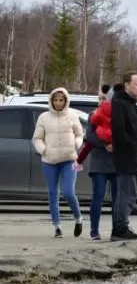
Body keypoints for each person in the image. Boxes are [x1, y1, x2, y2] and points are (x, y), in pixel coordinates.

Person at [31, 88, 84, 238]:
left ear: (66, 101)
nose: (58, 102)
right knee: (53, 193)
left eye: (61, 100)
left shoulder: (73, 116)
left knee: (68, 192)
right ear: (51, 101)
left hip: (69, 159)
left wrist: (77, 143)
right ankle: (57, 227)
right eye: (56, 100)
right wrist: (42, 149)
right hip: (49, 160)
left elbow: (80, 134)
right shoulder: (44, 117)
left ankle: (78, 218)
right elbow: (37, 138)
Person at [110, 71, 137, 241]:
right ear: (126, 85)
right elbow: (119, 131)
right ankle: (120, 228)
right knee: (127, 193)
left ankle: (121, 226)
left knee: (128, 192)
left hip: (135, 156)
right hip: (127, 157)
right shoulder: (120, 103)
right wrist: (134, 147)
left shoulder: (131, 103)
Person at [84, 85, 118, 240]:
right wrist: (105, 145)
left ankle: (117, 229)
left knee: (118, 199)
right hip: (99, 163)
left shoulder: (117, 115)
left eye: (103, 98)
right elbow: (89, 137)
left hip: (117, 163)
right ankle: (94, 231)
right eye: (99, 98)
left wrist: (115, 144)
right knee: (98, 196)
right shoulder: (93, 115)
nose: (101, 101)